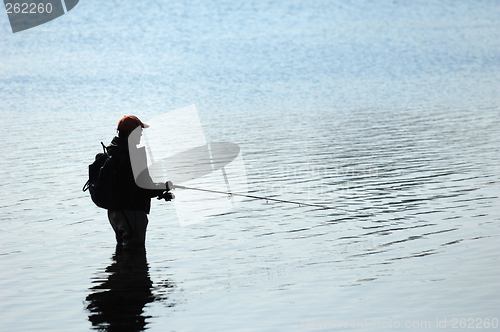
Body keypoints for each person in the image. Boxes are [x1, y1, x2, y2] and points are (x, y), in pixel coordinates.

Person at [106, 115, 174, 247]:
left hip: (115, 213)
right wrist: (164, 187)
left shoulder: (113, 152)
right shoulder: (132, 157)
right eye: (140, 131)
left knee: (123, 251)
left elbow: (128, 185)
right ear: (131, 132)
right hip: (132, 213)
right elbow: (142, 189)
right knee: (135, 250)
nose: (141, 134)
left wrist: (160, 191)